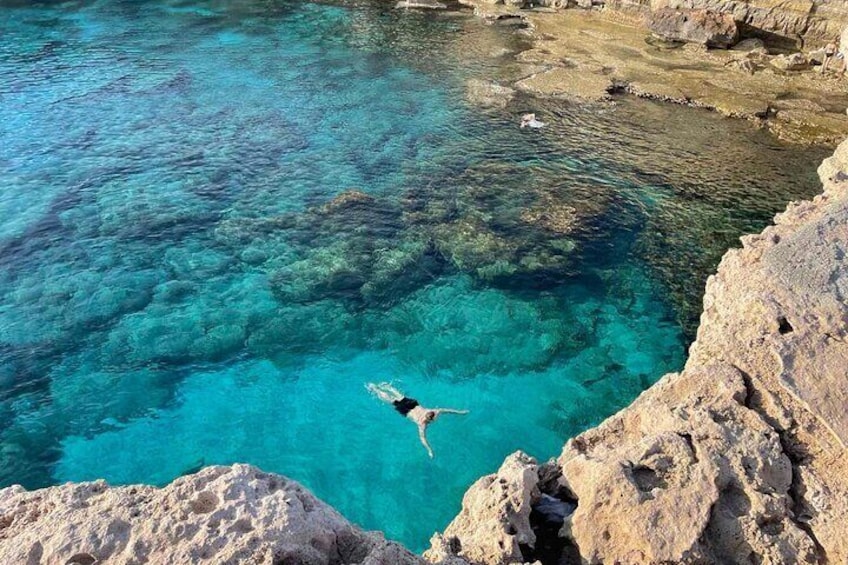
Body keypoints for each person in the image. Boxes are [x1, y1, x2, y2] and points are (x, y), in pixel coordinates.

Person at [366, 382, 469, 458]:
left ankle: (387, 387)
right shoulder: (423, 423)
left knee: (400, 397)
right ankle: (375, 390)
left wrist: (460, 412)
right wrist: (429, 450)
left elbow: (447, 411)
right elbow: (422, 438)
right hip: (407, 411)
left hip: (413, 404)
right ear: (431, 420)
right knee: (392, 401)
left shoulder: (433, 412)